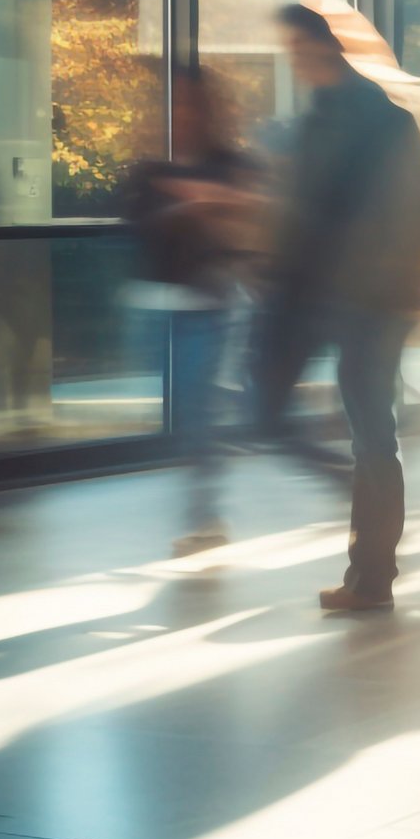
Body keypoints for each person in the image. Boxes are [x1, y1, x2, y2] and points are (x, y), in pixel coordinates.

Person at [254, 3, 420, 611]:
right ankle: (369, 565)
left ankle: (373, 575)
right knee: (350, 431)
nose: (294, 60)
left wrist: (390, 282)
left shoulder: (383, 120)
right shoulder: (320, 119)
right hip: (331, 295)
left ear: (323, 45)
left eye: (298, 47)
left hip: (372, 301)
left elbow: (415, 215)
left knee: (372, 435)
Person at [122, 66, 262, 555]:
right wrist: (192, 208)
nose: (183, 113)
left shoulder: (227, 163)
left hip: (210, 305)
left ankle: (206, 517)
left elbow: (251, 218)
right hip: (158, 305)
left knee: (198, 412)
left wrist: (208, 206)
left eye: (191, 102)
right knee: (189, 414)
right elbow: (138, 224)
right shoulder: (151, 168)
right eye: (177, 102)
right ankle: (205, 511)